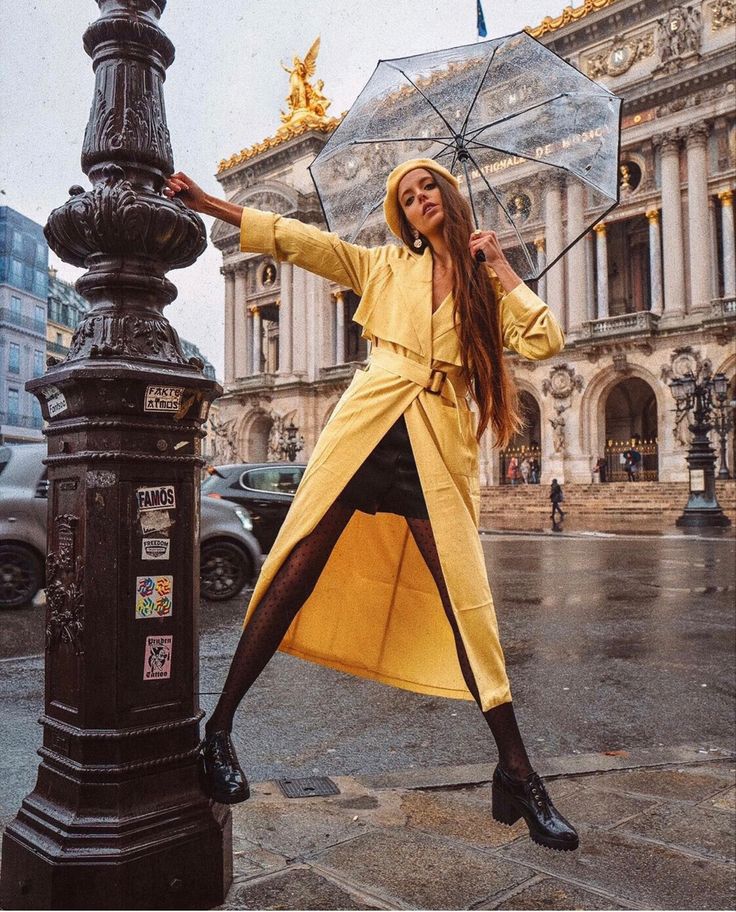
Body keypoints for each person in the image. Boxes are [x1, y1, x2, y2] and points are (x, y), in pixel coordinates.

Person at [165, 158, 578, 851]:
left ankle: (516, 771)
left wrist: (501, 268)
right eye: (408, 198)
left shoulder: (483, 286)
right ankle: (219, 733)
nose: (420, 201)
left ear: (449, 197)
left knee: (465, 601)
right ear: (403, 216)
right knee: (293, 570)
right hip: (367, 427)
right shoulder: (384, 266)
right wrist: (213, 204)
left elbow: (546, 339)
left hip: (433, 443)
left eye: (428, 189)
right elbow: (300, 242)